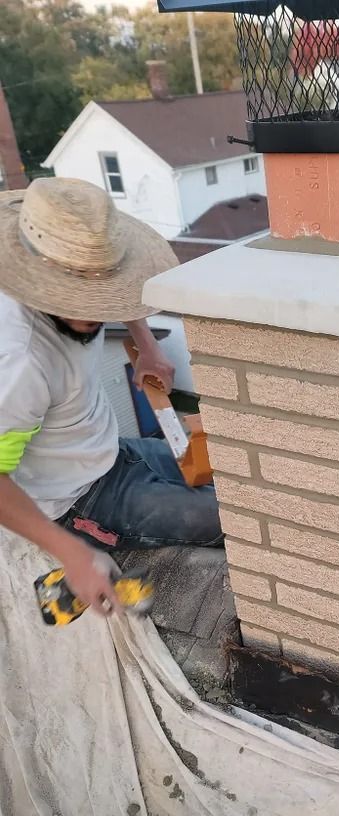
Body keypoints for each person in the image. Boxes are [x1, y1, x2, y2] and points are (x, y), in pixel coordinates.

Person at [0, 177, 222, 617]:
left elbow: (114, 289)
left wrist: (148, 345)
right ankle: (84, 536)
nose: (92, 312)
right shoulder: (20, 362)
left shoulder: (83, 284)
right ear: (40, 282)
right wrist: (71, 554)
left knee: (229, 477)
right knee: (231, 522)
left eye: (100, 295)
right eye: (78, 299)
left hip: (111, 451)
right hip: (77, 498)